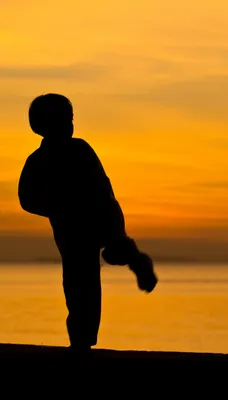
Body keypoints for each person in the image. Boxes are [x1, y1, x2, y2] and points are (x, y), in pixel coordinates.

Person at [18, 93, 158, 350]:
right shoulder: (40, 161)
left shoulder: (77, 150)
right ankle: (82, 340)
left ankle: (137, 261)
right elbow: (26, 199)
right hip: (72, 228)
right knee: (81, 282)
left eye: (71, 119)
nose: (71, 125)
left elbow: (103, 187)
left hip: (97, 216)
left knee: (99, 264)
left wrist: (110, 219)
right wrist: (56, 207)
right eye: (65, 120)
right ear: (41, 126)